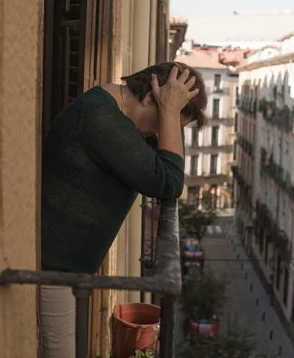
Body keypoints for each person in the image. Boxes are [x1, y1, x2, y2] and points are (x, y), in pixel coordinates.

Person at [40, 62, 207, 358]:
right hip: (54, 270)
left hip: (66, 271)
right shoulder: (102, 119)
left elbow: (165, 159)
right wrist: (169, 111)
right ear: (148, 98)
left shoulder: (116, 114)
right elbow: (168, 181)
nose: (160, 132)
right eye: (162, 122)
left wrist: (168, 112)